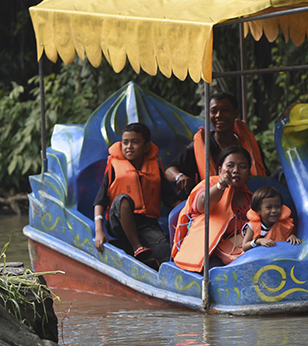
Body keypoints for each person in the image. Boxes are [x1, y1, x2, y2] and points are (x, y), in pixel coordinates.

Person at [93, 122, 178, 269]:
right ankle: (137, 247)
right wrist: (99, 231)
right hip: (117, 222)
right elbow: (99, 202)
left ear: (146, 147)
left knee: (164, 250)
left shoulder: (154, 170)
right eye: (125, 142)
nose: (129, 147)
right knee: (123, 199)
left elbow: (172, 200)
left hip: (146, 223)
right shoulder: (114, 168)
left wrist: (192, 207)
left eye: (135, 142)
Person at [171, 145, 254, 273]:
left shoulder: (251, 199)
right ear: (220, 170)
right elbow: (202, 205)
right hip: (207, 253)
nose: (236, 170)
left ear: (248, 173)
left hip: (238, 253)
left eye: (242, 167)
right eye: (230, 166)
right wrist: (221, 186)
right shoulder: (209, 184)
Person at [165, 92, 267, 195]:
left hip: (248, 202)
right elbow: (170, 169)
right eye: (214, 111)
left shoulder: (249, 145)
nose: (218, 115)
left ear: (236, 113)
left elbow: (266, 177)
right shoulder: (201, 145)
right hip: (212, 204)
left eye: (225, 110)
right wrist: (179, 176)